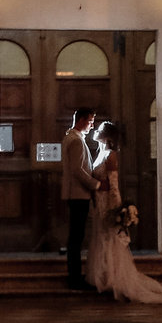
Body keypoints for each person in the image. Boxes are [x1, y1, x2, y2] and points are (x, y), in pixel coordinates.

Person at [84, 120, 162, 304]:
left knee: (111, 239)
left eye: (99, 130)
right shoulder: (99, 154)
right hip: (98, 203)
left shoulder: (111, 155)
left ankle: (115, 278)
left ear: (107, 136)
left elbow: (113, 185)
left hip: (107, 203)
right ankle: (104, 275)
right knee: (100, 238)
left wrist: (117, 209)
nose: (95, 131)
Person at [60, 109, 98, 290]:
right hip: (77, 193)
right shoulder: (75, 140)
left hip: (76, 193)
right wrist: (95, 185)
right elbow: (77, 170)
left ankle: (74, 275)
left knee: (76, 236)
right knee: (76, 237)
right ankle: (74, 277)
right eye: (90, 121)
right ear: (82, 119)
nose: (92, 125)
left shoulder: (74, 138)